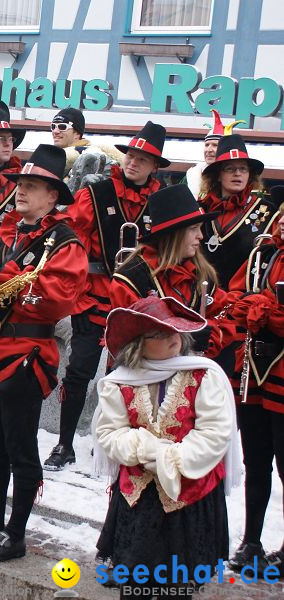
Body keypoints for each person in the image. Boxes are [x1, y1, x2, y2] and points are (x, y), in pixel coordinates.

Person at [0, 144, 87, 561]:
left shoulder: (64, 240)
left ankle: (16, 531)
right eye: (20, 184)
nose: (22, 191)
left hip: (27, 352)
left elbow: (63, 297)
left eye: (32, 186)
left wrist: (10, 277)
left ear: (53, 196)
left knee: (20, 446)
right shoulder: (6, 234)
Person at [93, 295, 238, 600]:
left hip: (189, 500)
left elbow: (215, 432)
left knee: (177, 588)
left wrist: (171, 458)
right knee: (134, 587)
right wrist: (145, 450)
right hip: (139, 502)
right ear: (137, 344)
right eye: (159, 334)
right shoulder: (119, 383)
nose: (172, 338)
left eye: (174, 329)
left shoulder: (204, 374)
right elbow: (109, 432)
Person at [46, 121, 168, 471]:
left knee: (126, 375)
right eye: (131, 155)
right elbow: (71, 235)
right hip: (95, 294)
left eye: (143, 159)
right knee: (79, 371)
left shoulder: (160, 202)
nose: (133, 162)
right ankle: (64, 443)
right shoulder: (95, 192)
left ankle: (118, 444)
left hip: (136, 300)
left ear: (154, 166)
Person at [111, 184, 235, 359]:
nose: (201, 236)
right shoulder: (132, 276)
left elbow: (222, 317)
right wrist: (188, 339)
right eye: (193, 229)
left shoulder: (202, 274)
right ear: (174, 234)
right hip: (142, 374)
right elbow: (128, 337)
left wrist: (209, 334)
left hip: (188, 374)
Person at [225, 204, 284, 571]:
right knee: (256, 459)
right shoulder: (262, 252)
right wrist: (248, 305)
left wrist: (273, 314)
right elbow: (233, 296)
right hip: (254, 370)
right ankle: (251, 541)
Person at [198, 134, 276, 283]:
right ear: (218, 175)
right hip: (200, 293)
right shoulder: (201, 208)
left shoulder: (267, 211)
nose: (237, 173)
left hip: (243, 298)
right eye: (230, 169)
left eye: (243, 169)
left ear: (250, 175)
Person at [184, 109, 242, 198]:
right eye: (207, 145)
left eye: (215, 145)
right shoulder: (192, 175)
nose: (209, 149)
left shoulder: (239, 178)